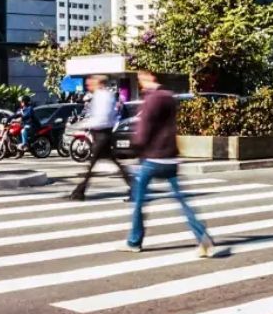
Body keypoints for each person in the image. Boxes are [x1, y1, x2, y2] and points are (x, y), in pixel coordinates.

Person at [118, 70, 214, 257]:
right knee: (182, 201)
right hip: (170, 157)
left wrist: (136, 147)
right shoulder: (169, 97)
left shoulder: (152, 100)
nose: (140, 83)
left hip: (152, 158)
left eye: (142, 79)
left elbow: (144, 129)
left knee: (138, 200)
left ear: (150, 78)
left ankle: (134, 241)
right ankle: (203, 237)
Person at [69, 74, 134, 201]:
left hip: (102, 134)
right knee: (112, 163)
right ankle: (134, 187)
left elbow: (102, 118)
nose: (88, 85)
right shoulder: (103, 96)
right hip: (102, 133)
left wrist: (84, 124)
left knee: (92, 165)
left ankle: (79, 191)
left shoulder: (103, 97)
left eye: (90, 82)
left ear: (98, 83)